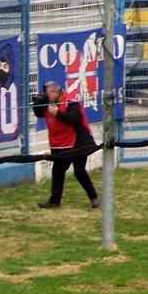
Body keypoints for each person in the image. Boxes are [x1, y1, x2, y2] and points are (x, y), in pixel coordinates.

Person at [32, 81, 99, 209]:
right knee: (58, 171)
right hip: (60, 145)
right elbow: (38, 113)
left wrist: (57, 113)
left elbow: (74, 118)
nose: (46, 96)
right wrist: (38, 102)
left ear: (55, 92)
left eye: (47, 94)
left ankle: (93, 197)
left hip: (78, 143)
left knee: (79, 171)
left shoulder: (71, 102)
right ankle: (54, 201)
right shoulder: (48, 103)